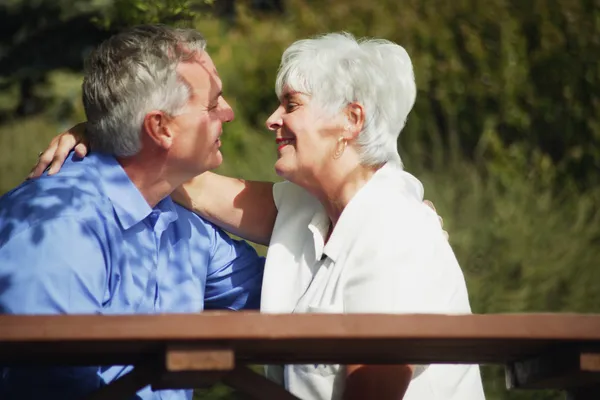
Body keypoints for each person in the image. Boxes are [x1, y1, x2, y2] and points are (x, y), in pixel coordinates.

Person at [32, 33, 485, 400]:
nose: (271, 119)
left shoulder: (396, 227)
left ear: (351, 120)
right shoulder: (307, 209)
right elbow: (178, 176)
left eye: (291, 104)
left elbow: (376, 380)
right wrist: (110, 129)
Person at [0, 25, 265, 400]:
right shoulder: (61, 227)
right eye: (212, 104)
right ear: (160, 127)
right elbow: (53, 384)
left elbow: (277, 291)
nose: (229, 112)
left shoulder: (178, 220)